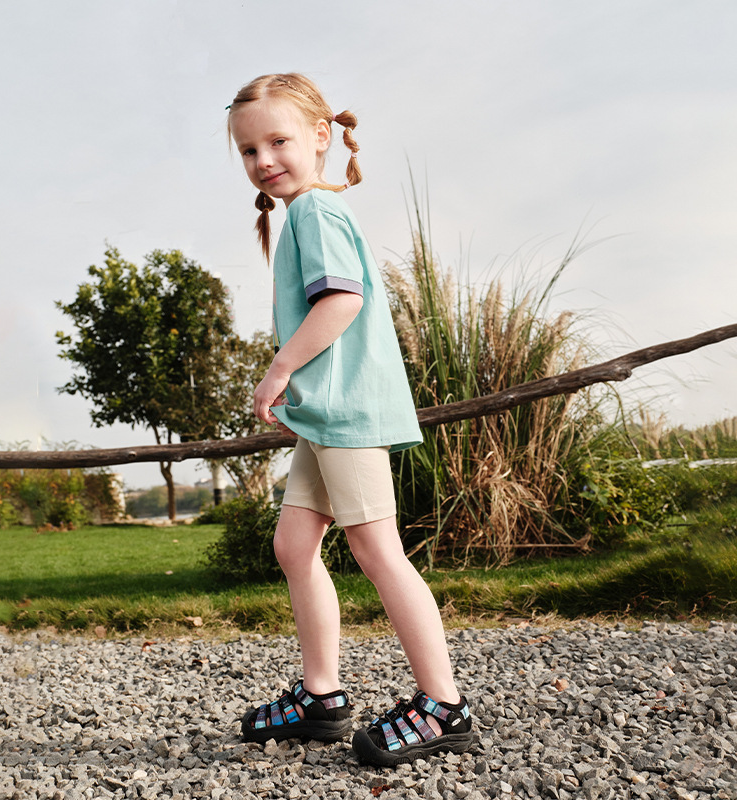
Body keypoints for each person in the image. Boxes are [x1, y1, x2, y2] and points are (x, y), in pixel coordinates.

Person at [226, 73, 472, 767]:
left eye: (278, 141)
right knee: (294, 546)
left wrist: (277, 371)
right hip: (326, 416)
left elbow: (342, 301)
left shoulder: (314, 212)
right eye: (249, 150)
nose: (264, 159)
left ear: (320, 137)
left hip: (348, 413)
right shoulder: (307, 210)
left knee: (376, 550)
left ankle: (444, 704)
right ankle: (321, 697)